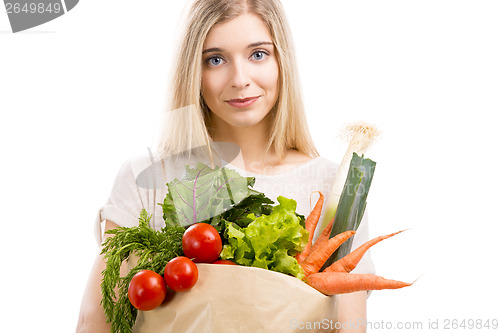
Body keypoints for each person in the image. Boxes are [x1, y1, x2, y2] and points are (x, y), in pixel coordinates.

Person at [76, 0, 374, 332]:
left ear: (281, 62)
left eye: (258, 54)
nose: (240, 79)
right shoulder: (147, 177)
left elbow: (348, 324)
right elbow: (96, 322)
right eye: (215, 60)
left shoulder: (335, 184)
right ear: (193, 71)